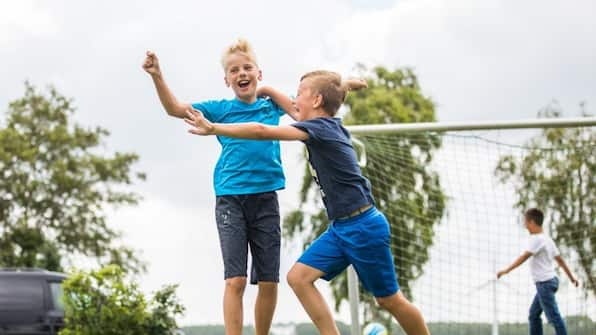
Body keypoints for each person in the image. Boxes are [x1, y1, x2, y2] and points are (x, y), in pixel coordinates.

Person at [184, 70, 431, 335]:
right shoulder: (326, 122)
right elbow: (322, 96)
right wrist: (339, 84)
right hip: (340, 229)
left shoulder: (319, 129)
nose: (294, 99)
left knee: (388, 300)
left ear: (316, 101)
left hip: (363, 228)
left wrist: (214, 128)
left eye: (300, 93)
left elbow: (260, 130)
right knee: (299, 278)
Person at [142, 39, 291, 335]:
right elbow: (175, 109)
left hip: (265, 200)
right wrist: (158, 75)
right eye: (234, 70)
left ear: (259, 74)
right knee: (235, 280)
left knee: (270, 281)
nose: (241, 73)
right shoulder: (220, 110)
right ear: (227, 80)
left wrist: (342, 86)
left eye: (247, 68)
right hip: (231, 199)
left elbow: (305, 108)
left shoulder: (271, 106)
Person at [497, 208, 579, 335]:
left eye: (526, 223)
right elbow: (560, 261)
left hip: (544, 283)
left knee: (553, 317)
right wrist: (572, 278)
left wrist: (506, 270)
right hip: (550, 281)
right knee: (533, 315)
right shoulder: (548, 239)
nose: (525, 226)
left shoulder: (537, 239)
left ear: (532, 222)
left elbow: (524, 257)